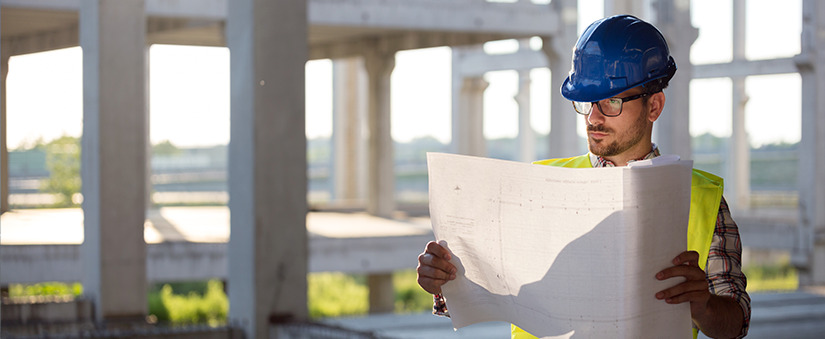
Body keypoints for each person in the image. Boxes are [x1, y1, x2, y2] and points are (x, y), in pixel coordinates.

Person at [416, 14, 750, 339]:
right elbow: (498, 289)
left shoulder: (701, 198)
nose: (594, 117)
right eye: (587, 102)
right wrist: (447, 280)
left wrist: (703, 305)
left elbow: (735, 324)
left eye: (612, 101)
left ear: (654, 106)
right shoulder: (539, 187)